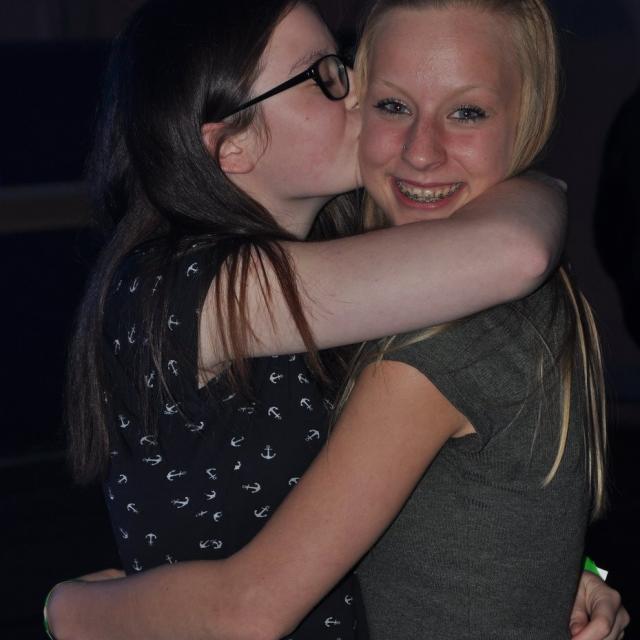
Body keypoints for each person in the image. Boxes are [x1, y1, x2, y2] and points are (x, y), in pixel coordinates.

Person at [46, 0, 628, 638]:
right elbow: (514, 251)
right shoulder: (193, 286)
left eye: (345, 65)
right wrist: (64, 612)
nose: (355, 95)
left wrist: (551, 570)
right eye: (322, 76)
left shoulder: (345, 271)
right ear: (233, 145)